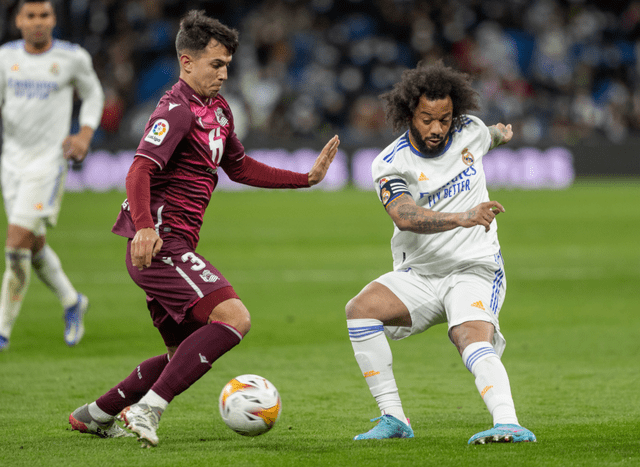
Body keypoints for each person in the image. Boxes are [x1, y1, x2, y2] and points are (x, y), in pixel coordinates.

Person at [68, 10, 340, 447]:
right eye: (216, 64)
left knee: (183, 356)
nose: (225, 73)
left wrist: (303, 178)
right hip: (159, 243)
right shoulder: (174, 110)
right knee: (233, 318)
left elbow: (238, 165)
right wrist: (143, 228)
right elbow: (139, 169)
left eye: (228, 64)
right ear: (186, 61)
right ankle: (147, 409)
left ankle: (97, 412)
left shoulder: (217, 109)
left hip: (171, 243)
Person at [345, 61, 536, 444]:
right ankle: (394, 419)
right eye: (427, 118)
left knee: (468, 335)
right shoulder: (390, 162)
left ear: (456, 114)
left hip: (473, 268)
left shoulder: (471, 132)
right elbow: (404, 216)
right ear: (409, 114)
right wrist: (463, 216)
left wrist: (500, 133)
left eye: (445, 119)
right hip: (419, 274)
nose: (437, 129)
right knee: (360, 310)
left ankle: (508, 423)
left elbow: (488, 138)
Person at [0, 0, 104, 351]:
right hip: (11, 163)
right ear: (18, 21)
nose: (37, 22)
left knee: (15, 246)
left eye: (43, 15)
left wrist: (85, 134)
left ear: (54, 19)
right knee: (33, 243)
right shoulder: (5, 57)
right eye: (30, 15)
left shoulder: (71, 57)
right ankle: (73, 300)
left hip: (48, 163)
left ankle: (2, 330)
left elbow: (93, 94)